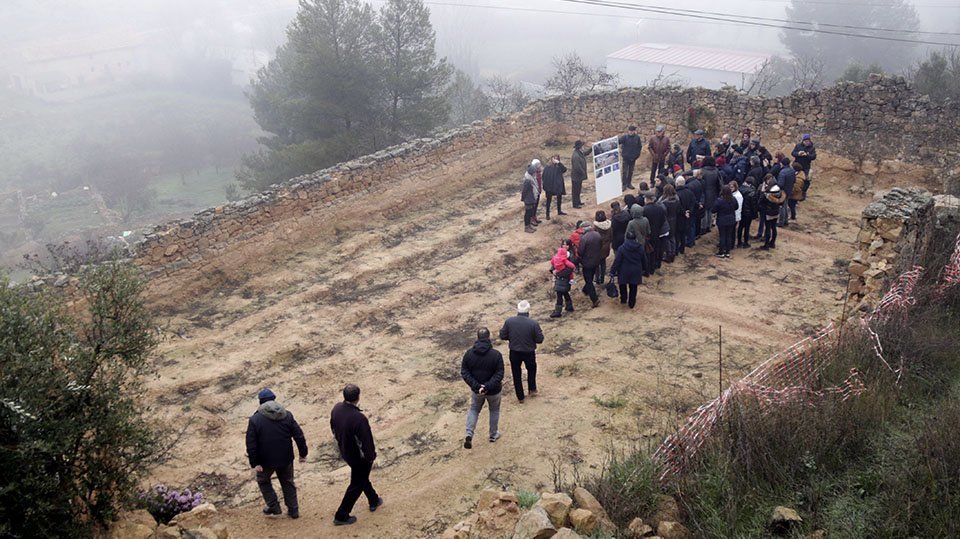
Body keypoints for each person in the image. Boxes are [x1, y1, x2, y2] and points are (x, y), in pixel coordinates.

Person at [246, 388, 308, 520]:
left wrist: (255, 462)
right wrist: (303, 454)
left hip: (265, 461)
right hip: (286, 458)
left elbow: (251, 444)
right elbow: (299, 436)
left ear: (260, 402)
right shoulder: (287, 415)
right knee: (287, 482)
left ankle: (273, 506)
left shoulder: (255, 419)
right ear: (274, 399)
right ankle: (293, 510)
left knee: (263, 481)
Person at [330, 384, 383, 526]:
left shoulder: (336, 409)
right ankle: (341, 515)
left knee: (361, 478)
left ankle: (374, 499)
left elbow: (333, 428)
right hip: (359, 458)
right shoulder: (359, 418)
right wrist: (370, 457)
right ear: (358, 397)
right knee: (356, 484)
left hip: (346, 452)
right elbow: (367, 441)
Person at [461, 328, 505, 448]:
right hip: (494, 390)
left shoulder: (469, 354)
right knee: (494, 410)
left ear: (477, 338)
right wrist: (487, 386)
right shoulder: (496, 355)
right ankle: (493, 434)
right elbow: (499, 374)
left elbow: (464, 372)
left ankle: (469, 434)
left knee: (474, 410)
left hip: (476, 391)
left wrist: (477, 386)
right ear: (488, 338)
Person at [499, 300, 544, 402]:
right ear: (528, 310)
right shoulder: (533, 323)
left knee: (516, 373)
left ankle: (520, 397)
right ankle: (532, 389)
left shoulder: (509, 321)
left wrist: (512, 338)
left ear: (518, 309)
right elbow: (540, 339)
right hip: (529, 352)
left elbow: (502, 336)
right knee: (532, 369)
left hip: (514, 351)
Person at [609, 230, 646, 308]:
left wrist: (612, 271)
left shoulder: (622, 248)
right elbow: (644, 259)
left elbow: (617, 261)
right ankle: (632, 303)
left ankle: (623, 299)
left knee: (622, 285)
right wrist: (645, 269)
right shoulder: (640, 247)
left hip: (624, 270)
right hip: (636, 270)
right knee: (633, 287)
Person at [578, 222, 603, 308]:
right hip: (596, 260)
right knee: (590, 277)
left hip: (587, 262)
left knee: (588, 281)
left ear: (584, 228)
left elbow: (580, 251)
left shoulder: (584, 238)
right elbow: (600, 245)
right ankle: (585, 290)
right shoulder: (597, 234)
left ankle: (594, 299)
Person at [642, 192, 666, 273]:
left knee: (649, 252)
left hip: (648, 234)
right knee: (656, 249)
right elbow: (663, 220)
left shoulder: (644, 209)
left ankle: (650, 269)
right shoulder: (660, 208)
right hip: (657, 232)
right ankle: (656, 265)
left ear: (648, 199)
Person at [759, 181, 786, 250]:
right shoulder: (781, 195)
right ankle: (772, 243)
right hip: (776, 212)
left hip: (768, 213)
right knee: (773, 228)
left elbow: (761, 203)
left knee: (768, 229)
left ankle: (766, 245)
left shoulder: (767, 196)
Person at [550, 246, 576, 317]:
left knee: (559, 295)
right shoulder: (567, 262)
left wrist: (555, 272)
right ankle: (569, 306)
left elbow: (563, 272)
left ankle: (558, 312)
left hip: (561, 281)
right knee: (565, 293)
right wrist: (553, 271)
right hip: (566, 282)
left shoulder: (559, 260)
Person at [714, 186, 738, 259]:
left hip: (722, 220)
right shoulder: (733, 199)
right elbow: (736, 207)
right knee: (729, 236)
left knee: (722, 236)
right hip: (731, 220)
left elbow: (713, 209)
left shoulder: (719, 200)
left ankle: (721, 252)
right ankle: (727, 252)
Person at [675, 176, 697, 254]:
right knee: (684, 233)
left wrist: (684, 212)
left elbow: (678, 205)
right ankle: (682, 249)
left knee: (678, 234)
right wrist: (689, 211)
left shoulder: (676, 193)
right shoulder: (689, 192)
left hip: (679, 216)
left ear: (677, 183)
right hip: (687, 215)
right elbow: (693, 202)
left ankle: (677, 250)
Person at [791, 134, 817, 200]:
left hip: (806, 167)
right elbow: (793, 153)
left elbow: (813, 157)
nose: (806, 142)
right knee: (793, 178)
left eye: (807, 141)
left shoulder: (812, 148)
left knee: (806, 180)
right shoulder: (798, 146)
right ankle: (793, 192)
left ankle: (803, 193)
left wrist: (807, 155)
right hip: (797, 165)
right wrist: (798, 154)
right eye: (805, 141)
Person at [542, 154, 567, 220]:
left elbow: (564, 170)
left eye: (557, 159)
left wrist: (559, 163)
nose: (556, 160)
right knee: (548, 200)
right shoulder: (547, 167)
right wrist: (546, 186)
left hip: (557, 186)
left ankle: (559, 211)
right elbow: (544, 177)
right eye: (555, 159)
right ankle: (547, 214)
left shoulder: (559, 166)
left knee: (559, 198)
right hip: (550, 187)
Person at [700, 156, 721, 235]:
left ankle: (703, 228)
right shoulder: (716, 170)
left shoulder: (703, 171)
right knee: (710, 210)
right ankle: (708, 226)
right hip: (714, 192)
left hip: (705, 192)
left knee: (704, 211)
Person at [659, 184, 681, 263]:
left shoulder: (665, 202)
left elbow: (662, 211)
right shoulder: (677, 199)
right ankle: (673, 253)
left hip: (667, 220)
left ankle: (669, 254)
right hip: (674, 219)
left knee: (667, 239)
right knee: (672, 237)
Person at [618, 125, 643, 190]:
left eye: (632, 131)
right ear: (628, 131)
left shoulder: (637, 138)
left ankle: (629, 183)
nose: (631, 132)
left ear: (634, 131)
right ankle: (624, 185)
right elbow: (618, 142)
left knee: (630, 171)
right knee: (624, 172)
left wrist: (637, 155)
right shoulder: (624, 137)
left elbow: (639, 147)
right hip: (626, 158)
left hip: (633, 158)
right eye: (630, 131)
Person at [737, 178, 758, 248]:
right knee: (747, 227)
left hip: (741, 211)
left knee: (740, 226)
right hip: (748, 212)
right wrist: (755, 214)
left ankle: (739, 242)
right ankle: (746, 242)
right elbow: (753, 204)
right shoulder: (752, 192)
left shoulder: (739, 189)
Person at [776, 157, 796, 227]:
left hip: (783, 191)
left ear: (782, 163)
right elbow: (794, 181)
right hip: (789, 190)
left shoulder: (782, 172)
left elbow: (780, 184)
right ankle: (786, 220)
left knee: (781, 207)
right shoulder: (792, 171)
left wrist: (776, 184)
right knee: (785, 205)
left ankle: (781, 222)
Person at [593, 211, 613, 284]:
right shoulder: (609, 225)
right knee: (603, 262)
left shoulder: (596, 226)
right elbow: (611, 236)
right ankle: (602, 278)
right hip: (606, 246)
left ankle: (597, 279)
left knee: (597, 264)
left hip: (598, 246)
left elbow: (594, 237)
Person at [570, 140, 590, 208]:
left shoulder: (579, 153)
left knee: (578, 189)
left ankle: (578, 201)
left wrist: (591, 149)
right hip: (576, 176)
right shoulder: (576, 155)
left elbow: (586, 153)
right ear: (579, 147)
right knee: (575, 190)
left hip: (578, 176)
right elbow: (577, 167)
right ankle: (575, 204)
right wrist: (583, 172)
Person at [521, 164, 539, 233]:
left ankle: (529, 225)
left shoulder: (531, 178)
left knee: (530, 212)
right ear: (532, 172)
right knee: (528, 214)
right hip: (528, 199)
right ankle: (526, 227)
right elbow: (524, 191)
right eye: (534, 172)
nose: (535, 173)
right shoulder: (528, 180)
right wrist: (523, 198)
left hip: (531, 198)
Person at [530, 159, 544, 225]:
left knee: (536, 205)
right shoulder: (533, 174)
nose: (540, 166)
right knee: (533, 206)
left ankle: (534, 217)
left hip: (538, 191)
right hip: (534, 193)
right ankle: (531, 219)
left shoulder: (539, 172)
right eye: (538, 165)